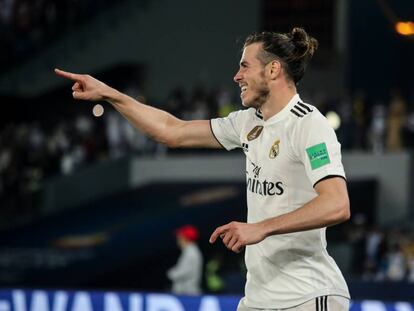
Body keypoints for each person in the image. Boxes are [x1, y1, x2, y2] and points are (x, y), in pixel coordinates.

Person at [55, 27, 351, 310]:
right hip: (259, 300)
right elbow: (172, 131)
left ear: (273, 70)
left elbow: (337, 204)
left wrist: (260, 228)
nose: (237, 76)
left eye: (245, 66)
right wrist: (110, 94)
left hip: (308, 297)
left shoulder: (308, 124)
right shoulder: (247, 123)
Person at [166, 225, 203, 295]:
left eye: (180, 237)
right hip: (186, 292)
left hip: (187, 293)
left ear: (186, 238)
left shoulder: (191, 252)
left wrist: (171, 273)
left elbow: (184, 271)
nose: (178, 239)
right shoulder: (189, 250)